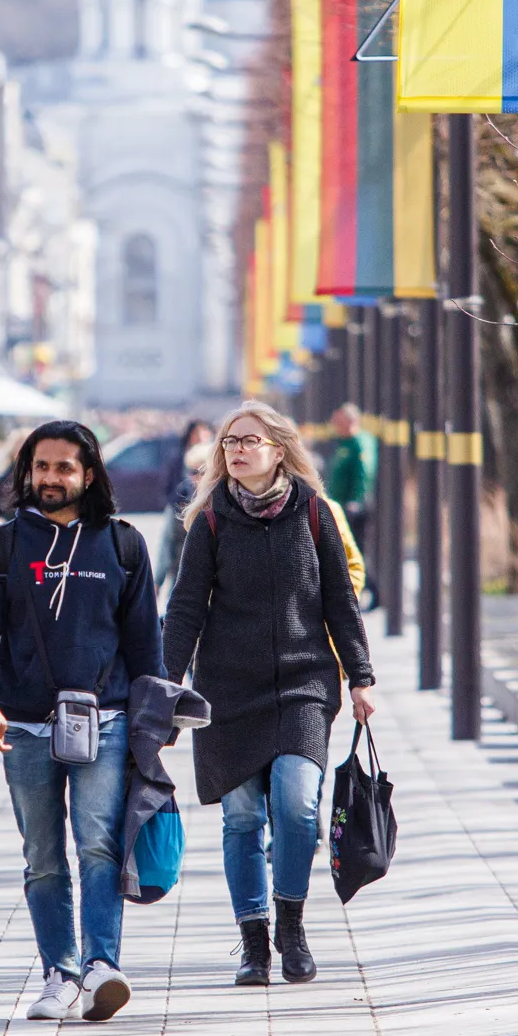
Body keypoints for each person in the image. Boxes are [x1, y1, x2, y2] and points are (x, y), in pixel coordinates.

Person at [161, 402, 376, 987]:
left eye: (249, 441)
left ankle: (292, 924)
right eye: (229, 442)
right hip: (227, 690)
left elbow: (339, 597)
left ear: (278, 449)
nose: (235, 450)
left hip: (304, 683)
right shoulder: (209, 520)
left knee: (298, 804)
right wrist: (165, 683)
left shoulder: (313, 512)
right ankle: (254, 944)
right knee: (241, 816)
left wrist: (360, 676)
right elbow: (185, 608)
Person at [0, 421, 160, 1024]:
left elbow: (146, 645)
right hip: (23, 726)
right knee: (43, 856)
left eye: (63, 467)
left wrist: (154, 726)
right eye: (40, 467)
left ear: (88, 474)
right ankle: (59, 972)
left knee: (99, 845)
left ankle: (102, 966)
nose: (50, 478)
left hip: (108, 720)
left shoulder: (123, 545)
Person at [325, 403, 380, 608]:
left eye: (339, 421)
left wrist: (356, 501)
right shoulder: (343, 443)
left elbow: (364, 472)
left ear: (350, 421)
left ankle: (373, 591)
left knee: (355, 550)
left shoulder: (359, 442)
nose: (335, 426)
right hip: (340, 506)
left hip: (354, 508)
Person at [156, 439, 213, 596]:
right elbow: (167, 542)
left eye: (203, 471)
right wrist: (157, 581)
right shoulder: (180, 499)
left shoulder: (226, 501)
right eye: (192, 472)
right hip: (182, 578)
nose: (197, 478)